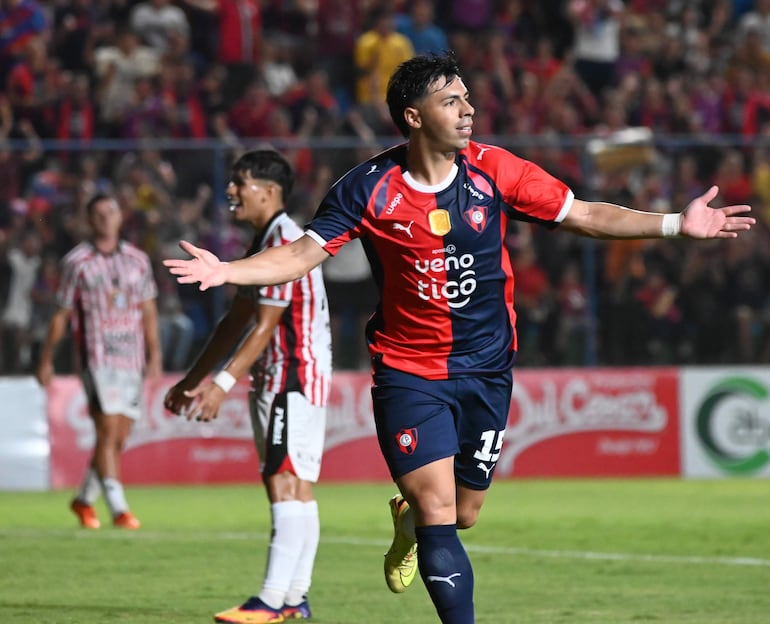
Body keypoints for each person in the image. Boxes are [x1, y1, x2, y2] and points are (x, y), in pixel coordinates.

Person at [164, 52, 755, 623]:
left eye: (467, 97)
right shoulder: (367, 188)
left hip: (487, 367)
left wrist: (676, 225)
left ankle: (408, 522)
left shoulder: (495, 169)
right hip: (408, 372)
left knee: (465, 512)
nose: (468, 109)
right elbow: (300, 255)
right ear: (415, 117)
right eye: (452, 100)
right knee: (440, 511)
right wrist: (227, 271)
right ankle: (424, 527)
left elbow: (584, 215)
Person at [163, 150, 331, 624]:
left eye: (240, 182)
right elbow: (234, 320)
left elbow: (263, 325)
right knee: (294, 484)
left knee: (283, 480)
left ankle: (271, 600)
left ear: (270, 190)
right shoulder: (269, 241)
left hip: (292, 374)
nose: (230, 190)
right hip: (294, 375)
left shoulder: (284, 239)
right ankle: (294, 597)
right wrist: (192, 381)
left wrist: (220, 384)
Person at [37, 193, 162, 530]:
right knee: (106, 429)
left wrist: (155, 355)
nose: (106, 218)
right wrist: (46, 358)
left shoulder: (137, 260)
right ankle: (119, 509)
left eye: (111, 212)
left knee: (119, 436)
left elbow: (148, 310)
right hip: (97, 357)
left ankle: (82, 501)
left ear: (121, 217)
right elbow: (61, 314)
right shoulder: (76, 262)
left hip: (132, 358)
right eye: (98, 214)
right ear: (89, 220)